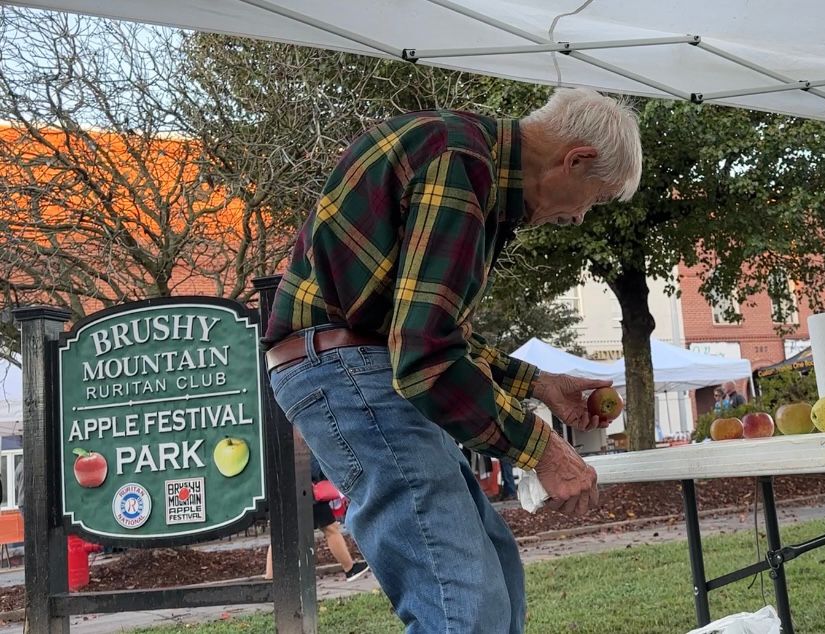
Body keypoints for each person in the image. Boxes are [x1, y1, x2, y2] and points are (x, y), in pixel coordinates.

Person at [263, 87, 642, 633]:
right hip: (348, 373)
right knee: (463, 604)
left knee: (497, 580)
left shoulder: (463, 156)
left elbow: (416, 332)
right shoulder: (461, 162)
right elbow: (423, 358)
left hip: (358, 367)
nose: (580, 217)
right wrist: (546, 450)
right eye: (594, 199)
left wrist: (536, 382)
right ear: (575, 160)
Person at [264, 453, 370, 582]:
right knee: (331, 529)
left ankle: (270, 578)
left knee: (280, 535)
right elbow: (313, 466)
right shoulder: (300, 439)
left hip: (285, 490)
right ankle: (350, 569)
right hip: (306, 491)